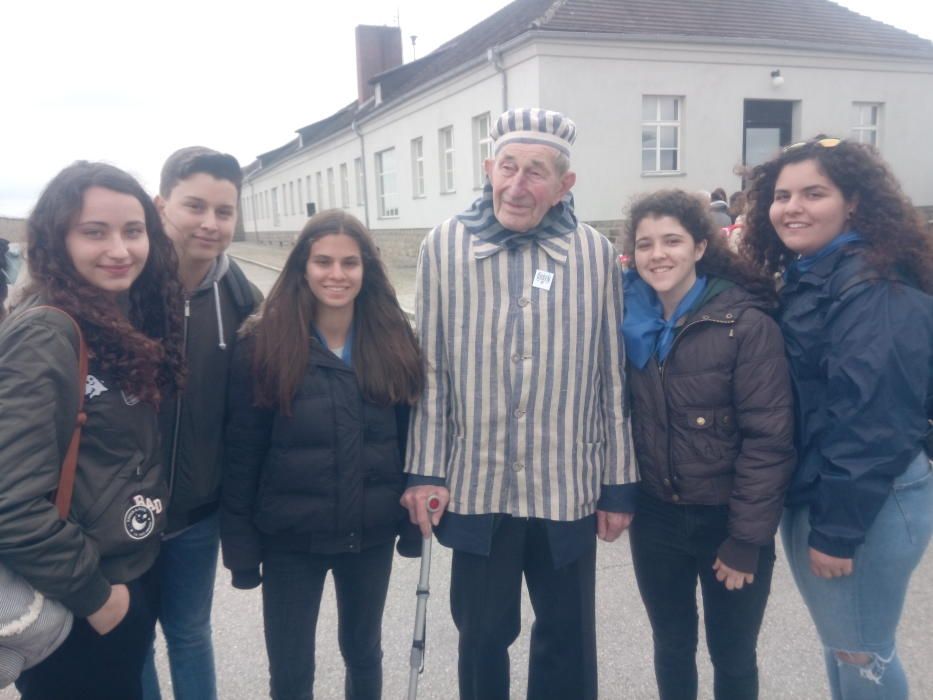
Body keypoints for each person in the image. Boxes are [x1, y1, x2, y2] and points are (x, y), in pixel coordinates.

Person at [400, 108, 637, 700]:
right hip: (477, 484)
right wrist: (425, 470)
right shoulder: (444, 247)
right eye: (508, 167)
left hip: (567, 486)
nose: (517, 184)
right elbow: (430, 370)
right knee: (481, 634)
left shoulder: (595, 256)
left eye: (536, 172)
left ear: (565, 186)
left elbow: (612, 375)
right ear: (488, 169)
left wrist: (617, 484)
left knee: (567, 634)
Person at [742, 137, 933, 699]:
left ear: (853, 202)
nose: (791, 207)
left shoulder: (874, 285)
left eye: (813, 193)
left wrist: (837, 531)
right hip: (830, 490)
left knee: (862, 651)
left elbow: (871, 420)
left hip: (863, 500)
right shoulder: (817, 271)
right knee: (846, 645)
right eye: (781, 195)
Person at [0, 161, 185, 699]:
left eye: (133, 231)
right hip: (78, 595)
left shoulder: (113, 319)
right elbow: (10, 503)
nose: (120, 249)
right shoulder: (48, 332)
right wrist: (96, 596)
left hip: (121, 573)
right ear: (58, 241)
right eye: (94, 232)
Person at [221, 210, 423, 699]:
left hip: (368, 534)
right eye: (324, 262)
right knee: (291, 671)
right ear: (303, 268)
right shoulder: (263, 343)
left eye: (350, 263)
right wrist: (242, 553)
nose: (337, 274)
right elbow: (243, 452)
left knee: (364, 653)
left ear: (366, 269)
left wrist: (413, 526)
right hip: (290, 540)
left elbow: (409, 440)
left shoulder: (392, 338)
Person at [621, 189, 795, 699]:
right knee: (671, 645)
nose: (658, 255)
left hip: (727, 520)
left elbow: (769, 439)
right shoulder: (630, 324)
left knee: (733, 654)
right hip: (657, 519)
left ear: (700, 246)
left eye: (672, 240)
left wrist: (747, 539)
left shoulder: (745, 325)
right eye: (646, 244)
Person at [142, 147, 262, 700]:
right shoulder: (125, 288)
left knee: (190, 633)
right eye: (195, 206)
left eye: (224, 211)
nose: (210, 223)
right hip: (118, 516)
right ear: (162, 204)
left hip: (197, 513)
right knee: (131, 639)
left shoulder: (242, 299)